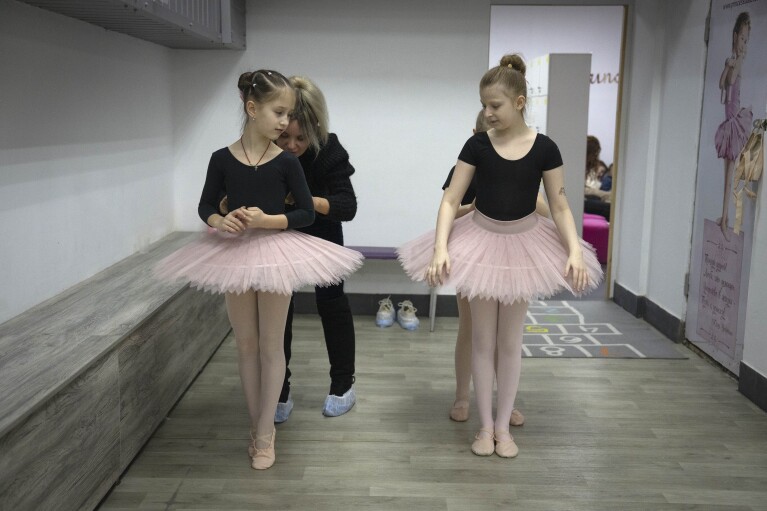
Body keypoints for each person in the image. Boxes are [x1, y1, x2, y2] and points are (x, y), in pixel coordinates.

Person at [155, 70, 363, 470]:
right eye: (281, 121)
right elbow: (212, 201)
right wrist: (221, 216)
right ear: (254, 110)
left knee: (327, 306)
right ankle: (268, 408)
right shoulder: (232, 156)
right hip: (246, 247)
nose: (288, 134)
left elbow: (332, 207)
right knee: (257, 340)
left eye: (296, 129)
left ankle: (337, 384)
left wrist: (276, 215)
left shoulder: (314, 156)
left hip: (300, 238)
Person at [398, 54, 602, 459]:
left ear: (520, 102)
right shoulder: (476, 145)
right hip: (480, 241)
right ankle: (485, 427)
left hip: (524, 246)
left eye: (495, 106)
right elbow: (450, 199)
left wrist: (574, 249)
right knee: (481, 339)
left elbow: (558, 205)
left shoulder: (545, 148)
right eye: (484, 105)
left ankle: (504, 428)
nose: (487, 113)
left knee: (510, 342)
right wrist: (440, 247)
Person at [446, 110, 550, 427]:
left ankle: (503, 402)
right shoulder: (465, 165)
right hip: (471, 254)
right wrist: (473, 208)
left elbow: (541, 205)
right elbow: (450, 209)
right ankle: (463, 395)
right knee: (473, 330)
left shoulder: (517, 164)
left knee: (505, 337)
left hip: (509, 254)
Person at [274, 76, 359, 420]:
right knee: (278, 311)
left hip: (324, 235)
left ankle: (343, 383)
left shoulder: (330, 150)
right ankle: (278, 390)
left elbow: (347, 206)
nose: (292, 145)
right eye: (284, 137)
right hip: (279, 236)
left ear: (316, 130)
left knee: (332, 304)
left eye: (301, 138)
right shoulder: (264, 150)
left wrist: (310, 203)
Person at [715, 11, 752, 239]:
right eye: (741, 39)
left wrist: (731, 63)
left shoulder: (739, 61)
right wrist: (726, 64)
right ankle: (724, 216)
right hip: (729, 123)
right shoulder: (732, 60)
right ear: (735, 36)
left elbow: (730, 80)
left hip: (735, 123)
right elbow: (721, 83)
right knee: (726, 175)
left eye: (746, 41)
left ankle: (727, 219)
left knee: (731, 175)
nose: (743, 44)